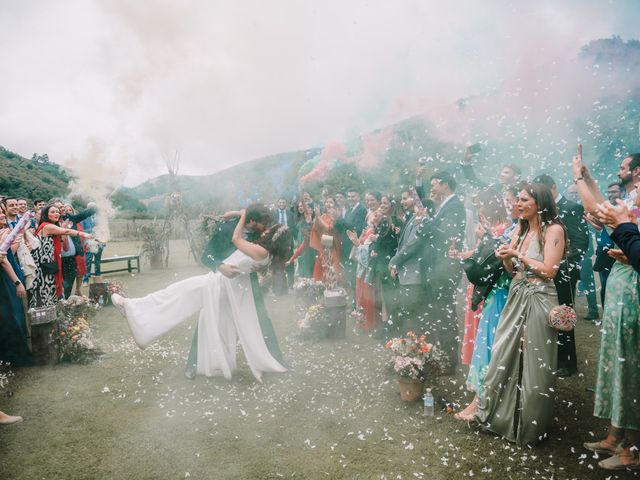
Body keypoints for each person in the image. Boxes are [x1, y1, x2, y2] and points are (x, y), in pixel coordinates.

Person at [112, 210, 291, 382]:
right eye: (263, 224)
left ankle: (276, 359)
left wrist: (241, 214)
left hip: (238, 287)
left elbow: (241, 240)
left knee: (259, 321)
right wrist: (220, 266)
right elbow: (206, 256)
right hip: (219, 282)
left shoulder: (258, 241)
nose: (265, 228)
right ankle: (191, 362)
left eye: (268, 228)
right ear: (253, 221)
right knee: (197, 312)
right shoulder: (231, 228)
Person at [474, 183, 565, 446]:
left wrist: (517, 255)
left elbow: (549, 271)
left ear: (540, 203)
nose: (518, 204)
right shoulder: (521, 230)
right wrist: (505, 257)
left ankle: (529, 426)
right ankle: (498, 417)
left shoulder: (554, 230)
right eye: (518, 200)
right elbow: (513, 270)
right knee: (504, 353)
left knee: (534, 360)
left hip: (539, 299)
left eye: (524, 200)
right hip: (516, 295)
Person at [572, 151, 640, 470]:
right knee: (617, 357)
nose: (620, 170)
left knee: (630, 361)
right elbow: (606, 211)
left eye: (624, 167)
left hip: (634, 288)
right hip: (621, 283)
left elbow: (596, 211)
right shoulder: (632, 196)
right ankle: (616, 434)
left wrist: (577, 177)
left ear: (637, 171)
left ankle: (633, 449)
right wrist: (589, 179)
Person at [533, 174, 589, 377]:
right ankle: (552, 357)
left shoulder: (572, 208)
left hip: (564, 273)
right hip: (545, 272)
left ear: (554, 187)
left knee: (564, 316)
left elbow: (582, 243)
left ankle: (568, 363)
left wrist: (558, 265)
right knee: (547, 316)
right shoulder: (543, 211)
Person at [29, 204, 94, 307]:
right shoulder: (47, 226)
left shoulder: (51, 226)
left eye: (57, 212)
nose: (57, 213)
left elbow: (62, 240)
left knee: (52, 290)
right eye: (53, 212)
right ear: (46, 214)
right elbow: (66, 231)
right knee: (46, 289)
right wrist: (84, 234)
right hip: (45, 264)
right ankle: (46, 313)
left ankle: (52, 312)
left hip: (50, 263)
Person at [310, 198, 342, 285]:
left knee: (332, 268)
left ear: (335, 205)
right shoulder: (323, 216)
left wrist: (318, 217)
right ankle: (321, 288)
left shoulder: (335, 216)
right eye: (327, 202)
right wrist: (317, 218)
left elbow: (329, 229)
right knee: (321, 267)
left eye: (331, 202)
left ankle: (333, 289)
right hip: (324, 245)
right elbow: (315, 229)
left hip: (333, 246)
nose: (328, 204)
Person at [286, 201, 317, 278]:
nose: (302, 208)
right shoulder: (301, 217)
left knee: (308, 264)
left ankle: (308, 283)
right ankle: (303, 283)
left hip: (308, 245)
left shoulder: (313, 220)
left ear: (312, 209)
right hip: (300, 242)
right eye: (300, 206)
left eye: (306, 207)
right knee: (301, 263)